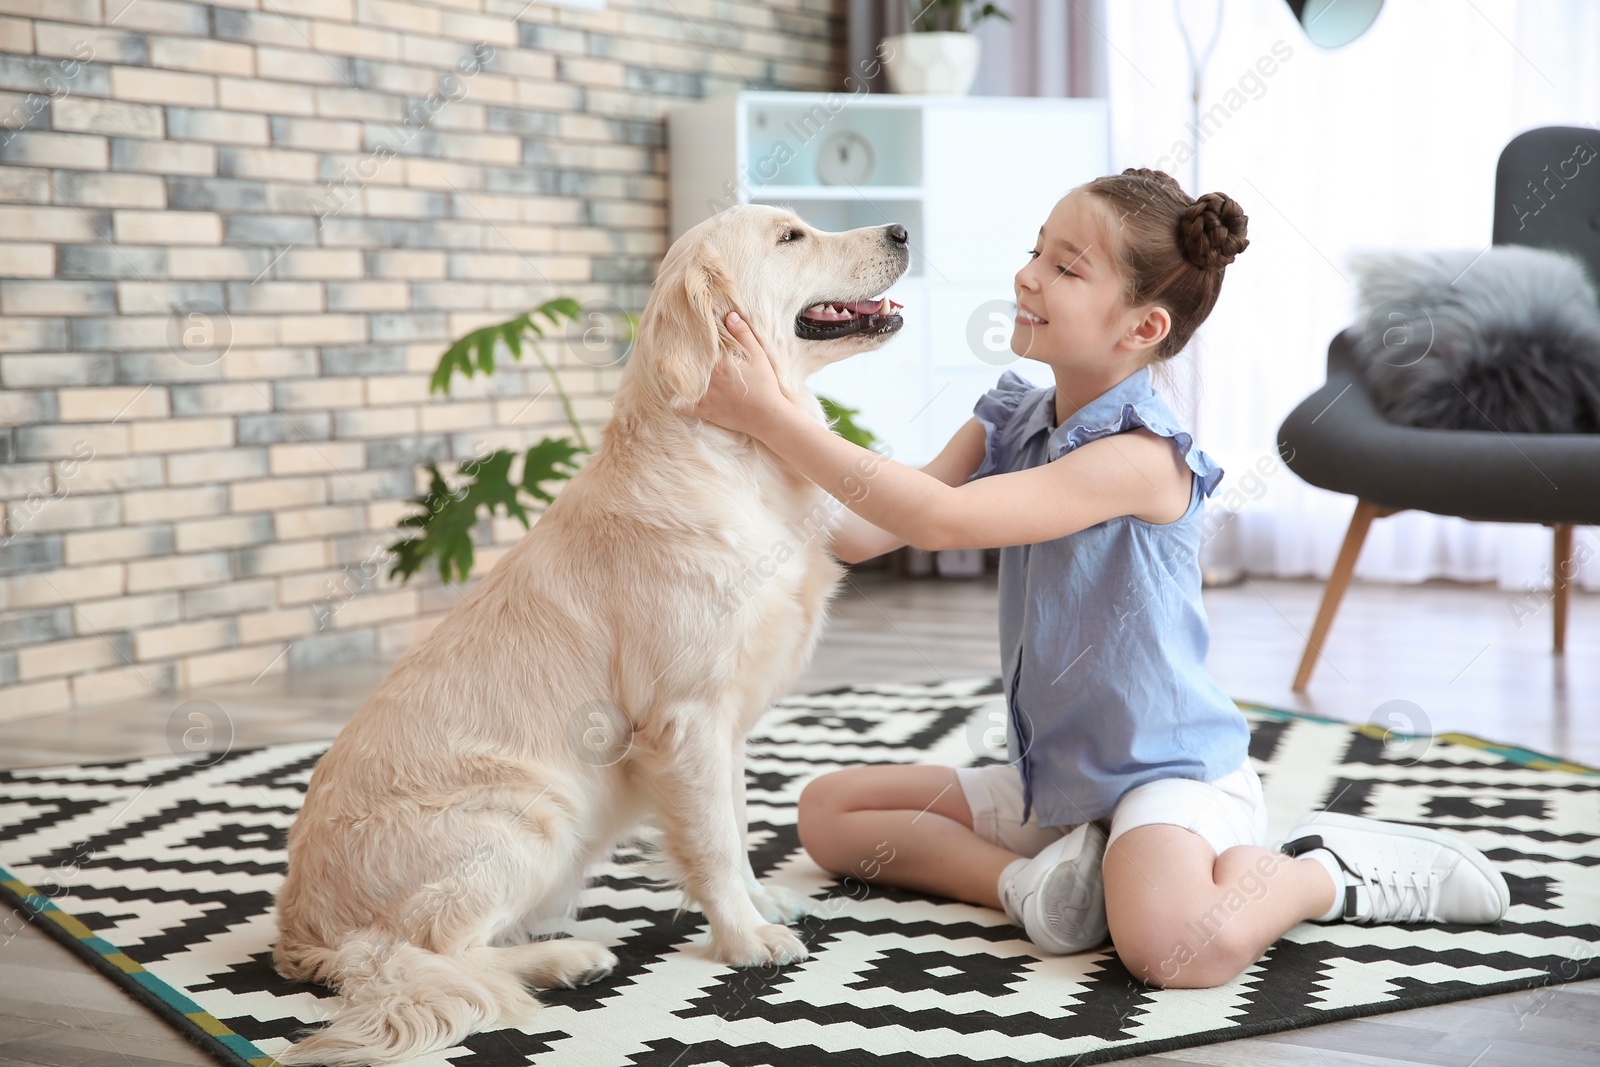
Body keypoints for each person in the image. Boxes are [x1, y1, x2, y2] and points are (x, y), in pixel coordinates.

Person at [688, 168, 1509, 988]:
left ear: (1143, 325)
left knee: (1169, 945)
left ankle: (1322, 869)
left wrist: (773, 413)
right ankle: (1032, 886)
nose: (1028, 275)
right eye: (1034, 251)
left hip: (1167, 772)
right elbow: (866, 534)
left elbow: (942, 522)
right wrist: (731, 465)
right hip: (1058, 781)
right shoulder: (1010, 414)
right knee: (829, 816)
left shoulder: (1144, 457)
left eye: (1066, 267)